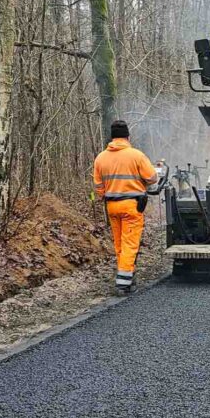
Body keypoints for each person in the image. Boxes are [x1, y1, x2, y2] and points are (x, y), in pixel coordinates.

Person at [93, 120, 158, 294]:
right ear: (128, 136)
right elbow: (152, 177)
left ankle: (128, 276)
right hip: (131, 206)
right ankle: (123, 283)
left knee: (120, 243)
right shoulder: (136, 155)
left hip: (112, 206)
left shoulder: (100, 158)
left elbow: (99, 188)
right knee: (130, 243)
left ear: (112, 137)